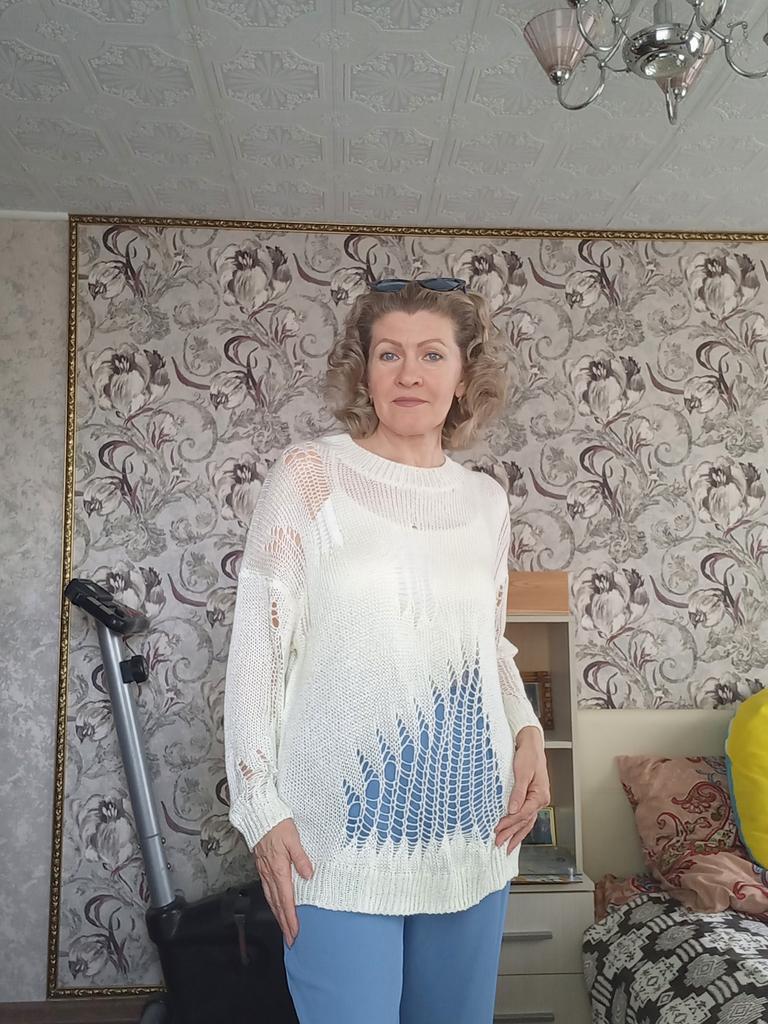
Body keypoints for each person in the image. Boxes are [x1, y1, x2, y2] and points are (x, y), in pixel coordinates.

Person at [223, 277, 551, 1024]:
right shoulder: (310, 476)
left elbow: (489, 643)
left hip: (475, 829)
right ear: (364, 372)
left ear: (463, 376)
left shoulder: (486, 502)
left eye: (432, 354)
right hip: (337, 838)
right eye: (389, 354)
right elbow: (257, 650)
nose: (410, 373)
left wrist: (528, 730)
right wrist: (260, 807)